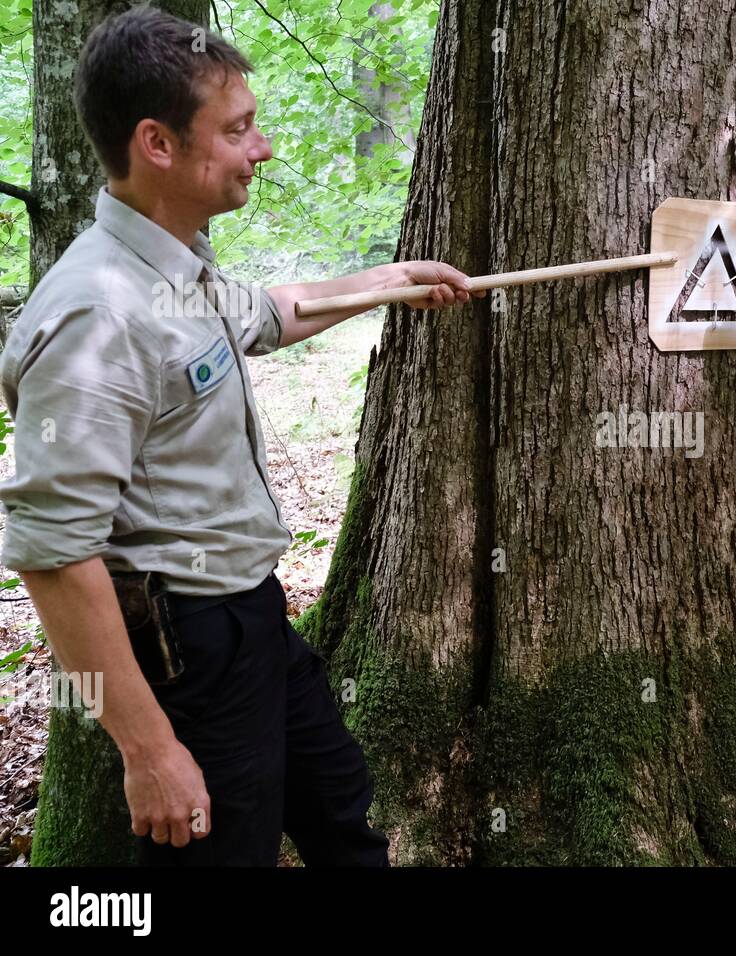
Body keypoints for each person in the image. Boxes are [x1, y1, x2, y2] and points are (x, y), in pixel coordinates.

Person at [0, 7, 482, 865]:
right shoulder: (96, 315)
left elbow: (262, 313)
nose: (261, 148)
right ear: (158, 144)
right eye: (239, 129)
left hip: (251, 616)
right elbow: (51, 551)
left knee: (339, 815)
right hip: (187, 649)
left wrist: (387, 280)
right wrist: (148, 750)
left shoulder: (168, 267)